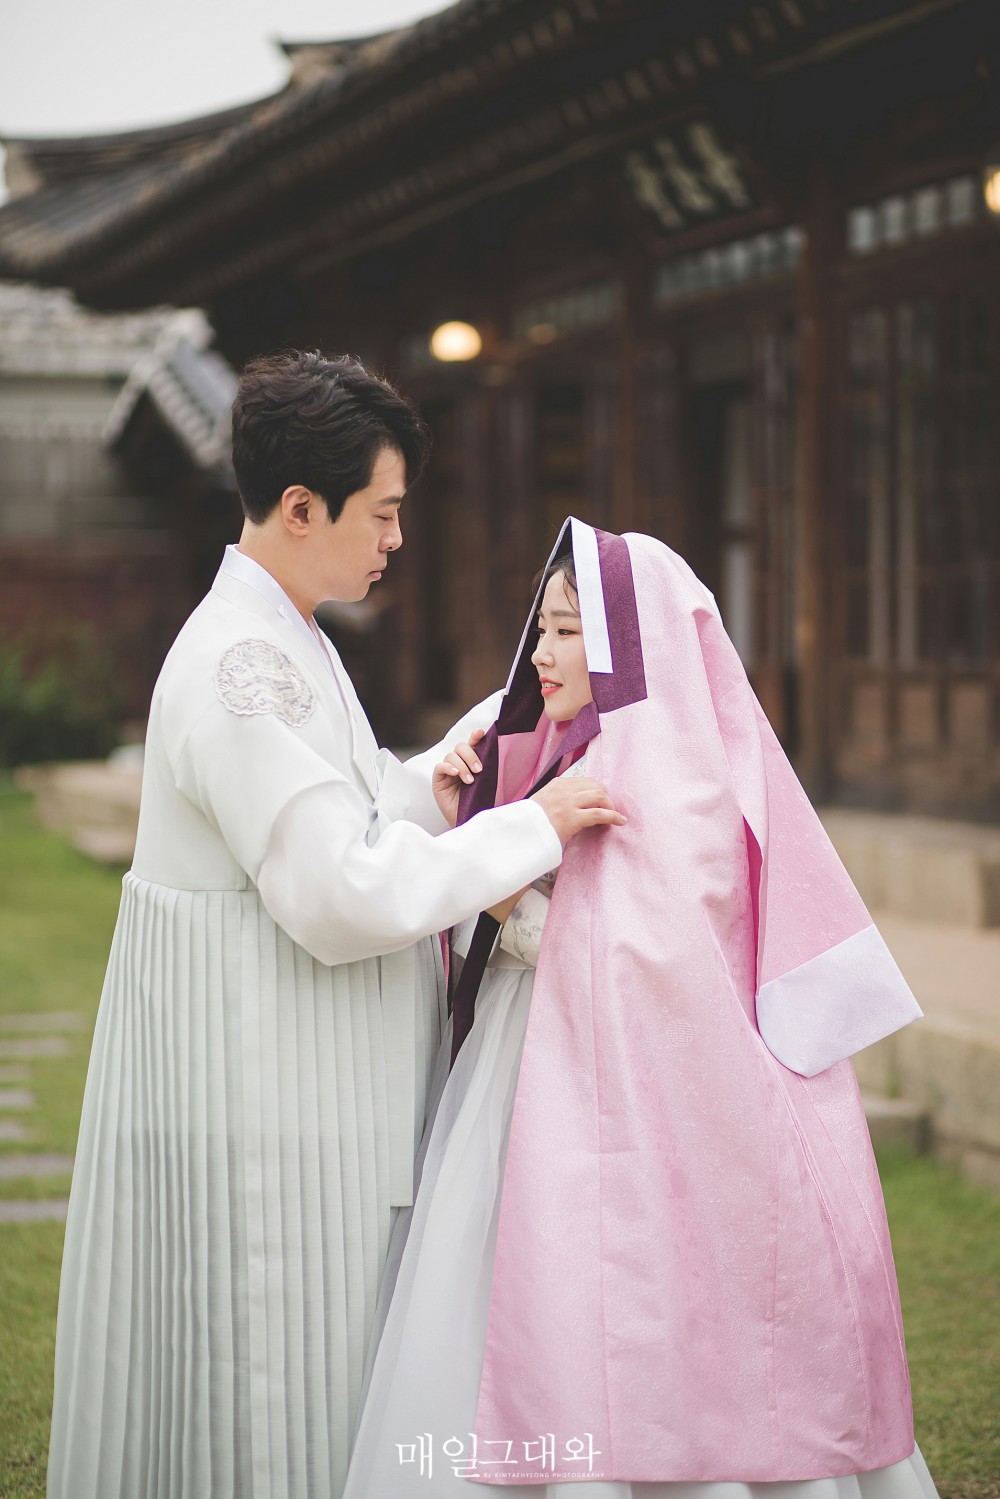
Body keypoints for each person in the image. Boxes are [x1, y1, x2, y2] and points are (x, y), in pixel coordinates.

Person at [46, 357, 623, 1499]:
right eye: (384, 511)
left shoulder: (287, 635)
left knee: (312, 1366)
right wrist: (532, 827)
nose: (398, 539)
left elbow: (331, 816)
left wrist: (425, 790)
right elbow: (335, 892)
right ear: (301, 507)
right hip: (268, 1095)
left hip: (298, 1076)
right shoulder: (243, 667)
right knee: (277, 1372)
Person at [344, 517, 938, 1499]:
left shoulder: (661, 776)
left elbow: (640, 954)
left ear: (631, 641)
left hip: (623, 1092)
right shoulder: (560, 745)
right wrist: (476, 822)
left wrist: (489, 885)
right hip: (533, 1069)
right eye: (541, 628)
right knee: (526, 1288)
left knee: (626, 1288)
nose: (541, 653)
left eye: (567, 631)